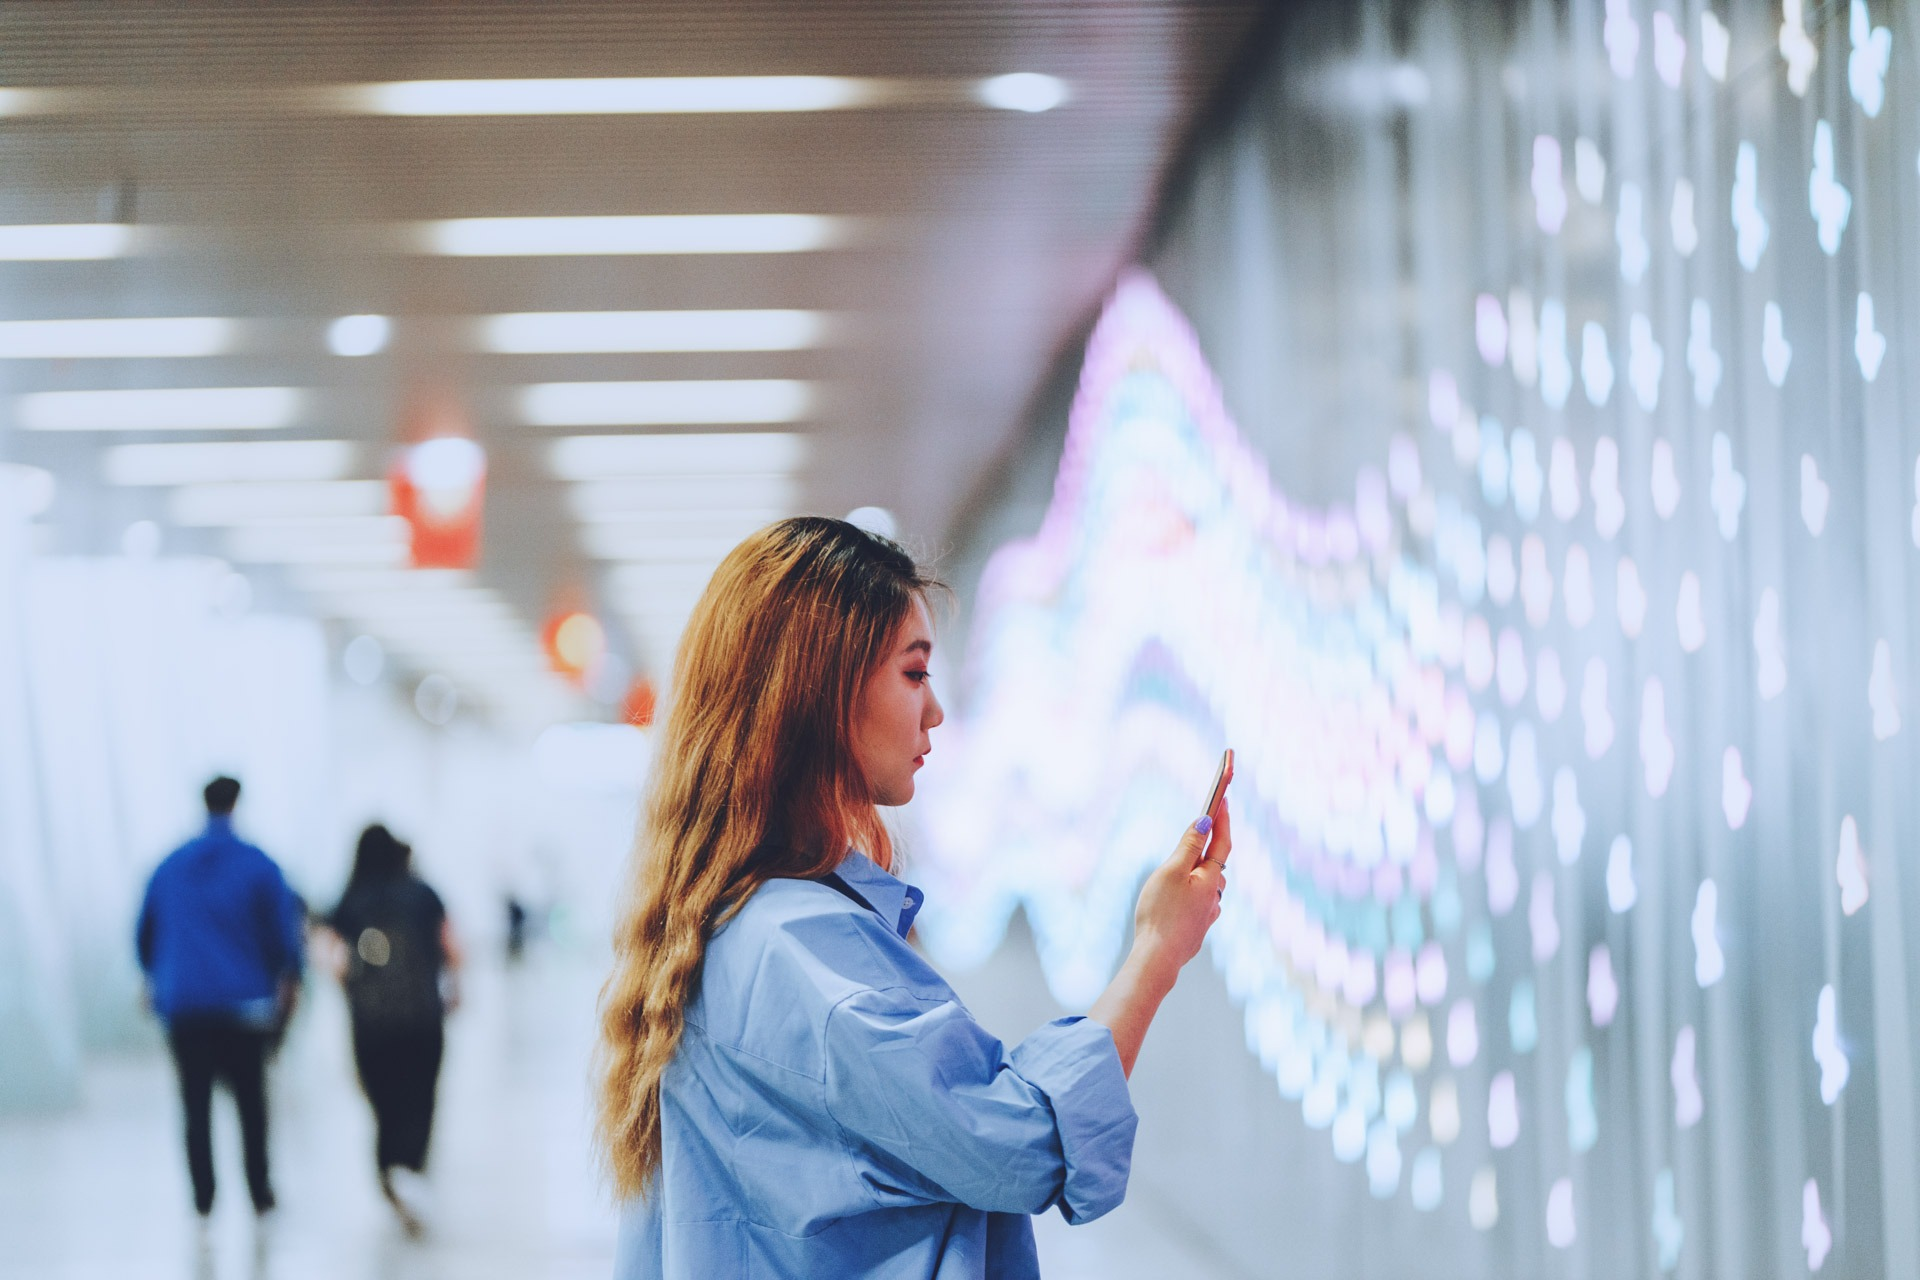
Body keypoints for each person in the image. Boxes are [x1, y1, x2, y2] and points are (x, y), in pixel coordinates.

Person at [598, 517, 1233, 1278]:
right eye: (913, 673)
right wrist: (1158, 951)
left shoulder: (729, 927)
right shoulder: (804, 956)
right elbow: (1023, 1145)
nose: (933, 711)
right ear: (820, 690)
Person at [136, 775, 306, 1221]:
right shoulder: (259, 865)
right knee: (252, 1103)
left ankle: (204, 1198)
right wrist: (290, 980)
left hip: (186, 1006)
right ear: (238, 803)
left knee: (195, 1104)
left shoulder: (170, 866)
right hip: (246, 1006)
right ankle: (259, 1190)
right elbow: (282, 937)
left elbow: (145, 932)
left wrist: (155, 977)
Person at [326, 824, 462, 1234]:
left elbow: (333, 959)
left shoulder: (350, 899)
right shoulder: (423, 893)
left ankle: (389, 1170)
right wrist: (455, 989)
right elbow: (452, 946)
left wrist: (352, 991)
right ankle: (411, 1167)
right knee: (421, 1096)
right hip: (422, 1017)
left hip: (371, 1025)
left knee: (383, 1102)